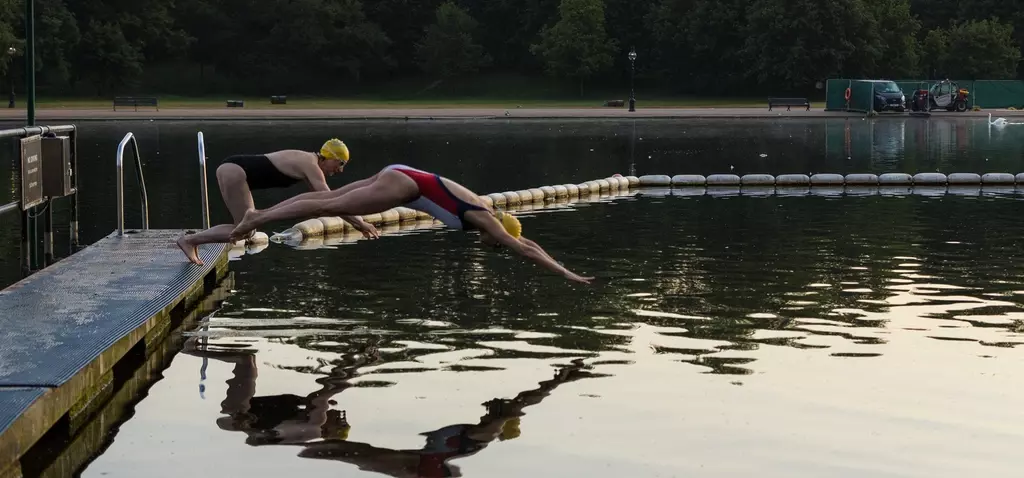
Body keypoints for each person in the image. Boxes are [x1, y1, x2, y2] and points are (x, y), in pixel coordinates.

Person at [228, 164, 594, 284]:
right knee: (332, 204)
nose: (493, 247)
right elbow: (524, 249)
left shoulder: (487, 211)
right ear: (497, 237)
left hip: (403, 173)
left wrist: (565, 268)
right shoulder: (487, 222)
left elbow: (526, 244)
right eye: (497, 245)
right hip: (406, 186)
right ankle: (258, 217)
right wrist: (568, 275)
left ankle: (259, 216)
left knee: (328, 200)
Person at [176, 138, 379, 265]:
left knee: (246, 228)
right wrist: (360, 223)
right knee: (246, 228)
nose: (340, 170)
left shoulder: (309, 163)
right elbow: (335, 201)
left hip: (234, 169)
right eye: (340, 163)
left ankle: (192, 241)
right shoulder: (311, 165)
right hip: (236, 171)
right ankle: (189, 241)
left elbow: (321, 203)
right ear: (329, 157)